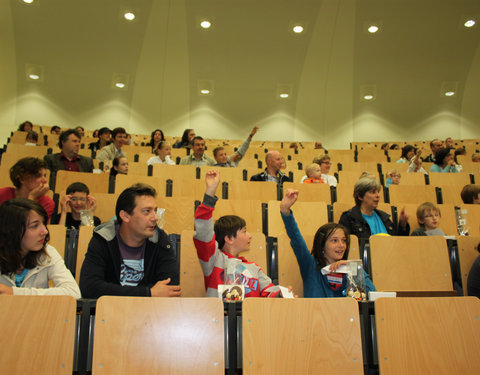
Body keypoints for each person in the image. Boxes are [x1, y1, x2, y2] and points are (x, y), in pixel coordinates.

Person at [79, 183, 180, 298]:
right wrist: (148, 293)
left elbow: (170, 288)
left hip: (149, 313)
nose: (155, 218)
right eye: (147, 211)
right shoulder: (104, 238)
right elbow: (89, 287)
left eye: (155, 211)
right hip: (109, 313)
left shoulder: (160, 240)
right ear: (125, 216)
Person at [194, 170, 282, 297]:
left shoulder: (253, 268)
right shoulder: (213, 260)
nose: (250, 235)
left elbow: (270, 291)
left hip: (250, 317)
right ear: (229, 238)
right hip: (219, 316)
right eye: (244, 231)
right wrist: (209, 195)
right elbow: (203, 233)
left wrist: (282, 294)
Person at [279, 189, 375, 298]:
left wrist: (354, 269)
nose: (341, 245)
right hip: (314, 314)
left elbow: (372, 294)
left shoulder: (350, 272)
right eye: (334, 240)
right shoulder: (310, 266)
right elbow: (297, 239)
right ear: (322, 245)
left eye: (343, 240)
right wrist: (285, 211)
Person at [0, 199, 81, 298]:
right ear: (13, 231)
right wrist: (41, 294)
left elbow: (73, 293)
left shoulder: (48, 252)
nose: (45, 231)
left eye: (43, 224)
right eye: (34, 226)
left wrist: (13, 292)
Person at [339, 177, 410, 239]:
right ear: (360, 196)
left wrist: (403, 225)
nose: (378, 195)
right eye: (373, 192)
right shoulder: (348, 218)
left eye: (378, 192)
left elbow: (398, 243)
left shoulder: (385, 218)